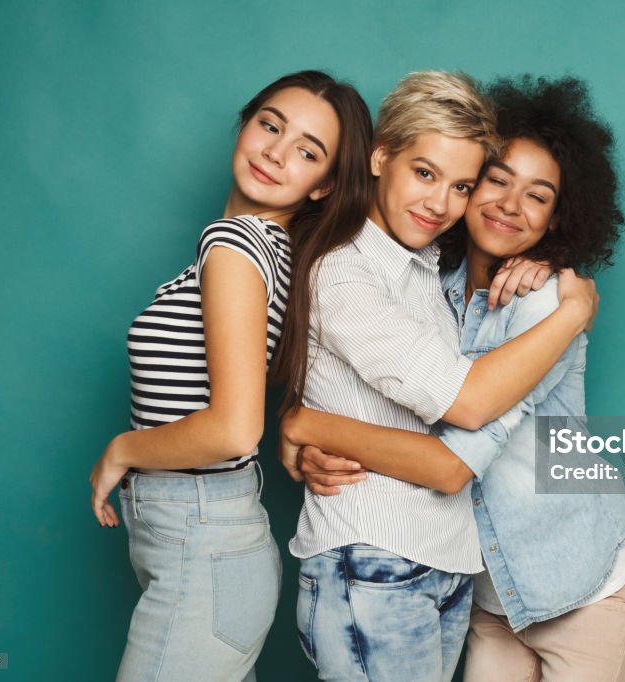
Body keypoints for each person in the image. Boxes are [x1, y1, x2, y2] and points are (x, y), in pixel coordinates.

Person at [283, 75, 625, 682]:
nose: (509, 205)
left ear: (559, 219)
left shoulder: (546, 305)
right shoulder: (432, 282)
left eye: (537, 196)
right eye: (494, 181)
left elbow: (452, 461)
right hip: (487, 591)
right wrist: (301, 433)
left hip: (584, 583)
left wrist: (308, 423)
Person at [87, 70, 373, 682]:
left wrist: (121, 450)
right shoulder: (274, 250)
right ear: (245, 125)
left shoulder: (235, 243)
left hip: (203, 544)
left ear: (324, 185)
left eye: (307, 151)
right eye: (270, 125)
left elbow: (236, 429)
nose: (275, 151)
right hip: (206, 544)